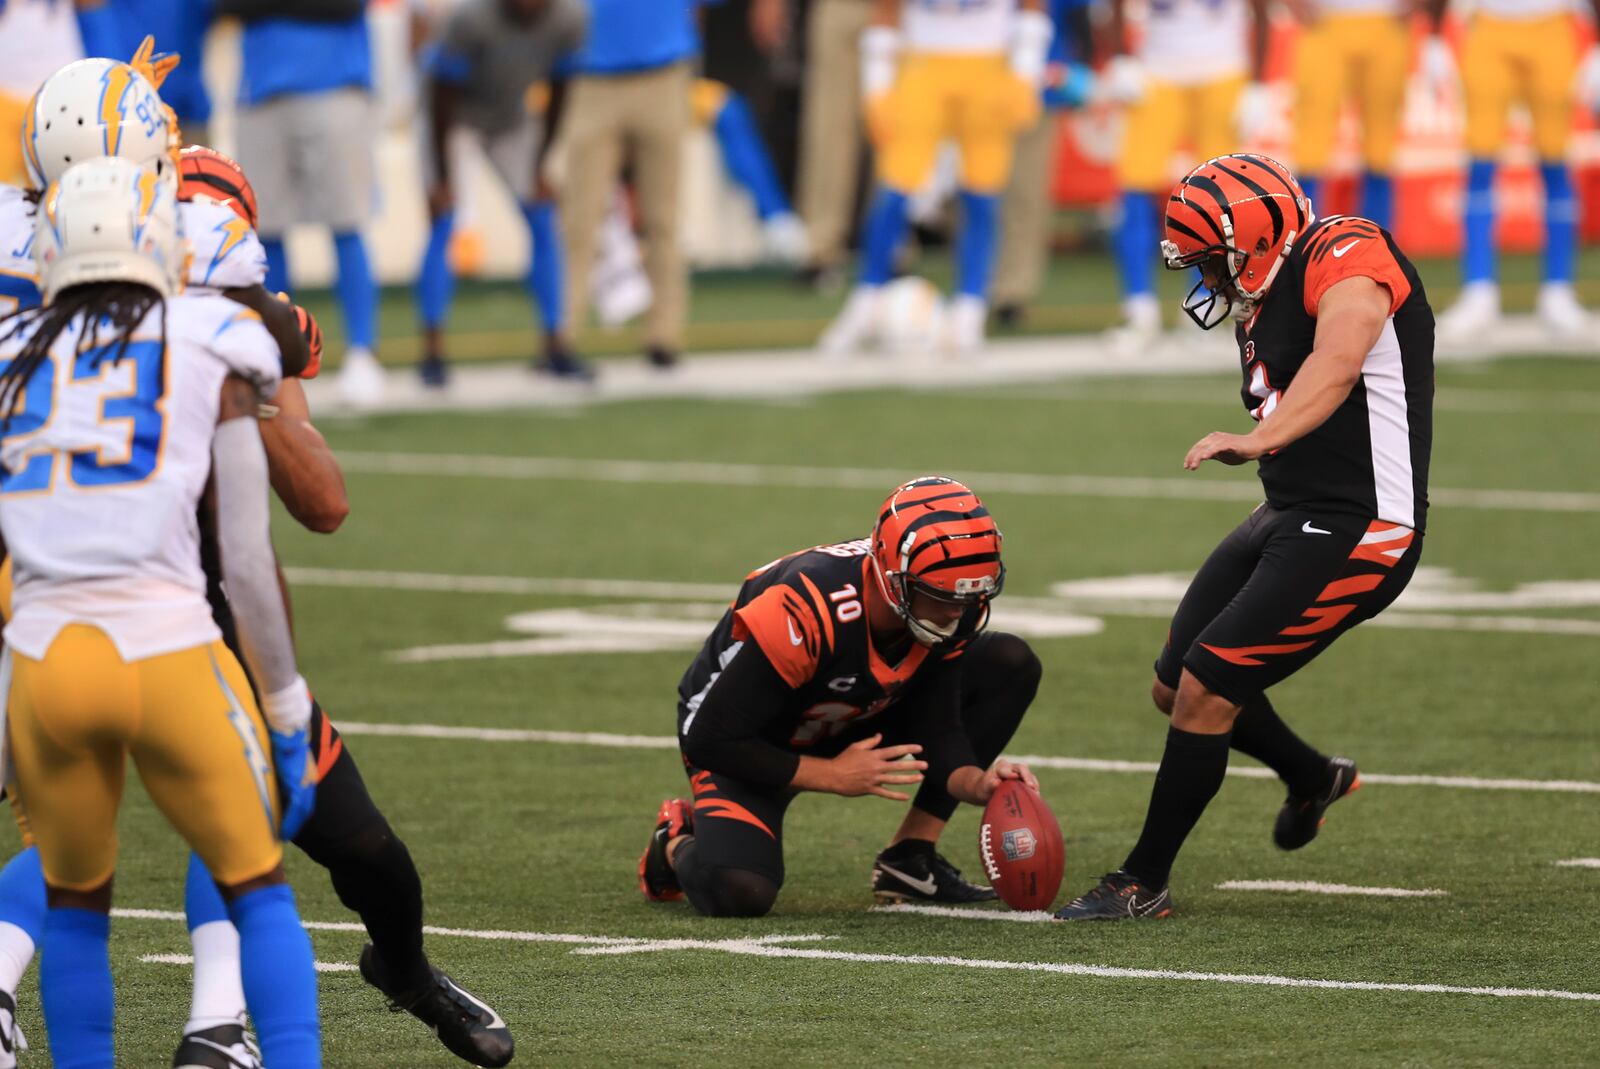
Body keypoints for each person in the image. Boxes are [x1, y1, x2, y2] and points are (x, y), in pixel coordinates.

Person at [0, 56, 515, 1067]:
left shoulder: (179, 235)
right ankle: (226, 1023)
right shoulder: (169, 246)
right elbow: (279, 527)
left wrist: (253, 356)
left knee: (353, 845)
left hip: (139, 596)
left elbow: (315, 500)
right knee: (216, 834)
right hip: (71, 576)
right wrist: (243, 331)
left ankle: (372, 976)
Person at [0, 154, 322, 1067]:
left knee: (74, 909)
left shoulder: (12, 348)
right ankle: (234, 1036)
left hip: (47, 661)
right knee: (259, 891)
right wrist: (289, 708)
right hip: (169, 649)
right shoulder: (212, 333)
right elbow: (250, 563)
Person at [1056, 154, 1433, 921]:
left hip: (1368, 523)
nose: (1207, 278)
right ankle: (1310, 774)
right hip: (1294, 512)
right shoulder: (1268, 284)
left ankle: (1143, 879)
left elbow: (1338, 360)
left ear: (1256, 240)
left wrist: (1262, 439)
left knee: (1206, 686)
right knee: (1172, 683)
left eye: (1210, 260)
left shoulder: (1348, 253)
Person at [639, 477, 1042, 917]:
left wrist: (976, 784)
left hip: (854, 712)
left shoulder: (952, 605)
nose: (956, 612)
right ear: (893, 578)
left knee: (1008, 661)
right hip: (748, 737)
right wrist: (830, 774)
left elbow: (938, 723)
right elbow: (709, 739)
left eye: (967, 597)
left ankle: (910, 856)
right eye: (939, 597)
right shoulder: (807, 606)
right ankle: (674, 841)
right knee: (740, 891)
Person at [820, 0, 1055, 356]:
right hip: (923, 64)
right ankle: (866, 298)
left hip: (989, 65)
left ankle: (970, 308)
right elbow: (885, 11)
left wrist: (1025, 71)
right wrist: (877, 86)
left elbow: (1032, 7)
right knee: (895, 189)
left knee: (982, 192)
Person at [219, 0, 386, 407]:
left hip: (336, 86)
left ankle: (362, 353)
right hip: (260, 91)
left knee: (348, 221)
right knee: (265, 229)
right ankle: (275, 351)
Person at [415, 0, 592, 386]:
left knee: (543, 216)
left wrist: (542, 163)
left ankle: (555, 345)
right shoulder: (471, 19)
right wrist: (443, 179)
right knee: (444, 222)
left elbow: (561, 90)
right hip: (453, 118)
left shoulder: (569, 19)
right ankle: (432, 352)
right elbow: (441, 95)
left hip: (510, 118)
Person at [1425, 0, 1600, 341]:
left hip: (1553, 26)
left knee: (1555, 161)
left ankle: (1558, 290)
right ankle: (1478, 290)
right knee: (1480, 161)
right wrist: (1433, 36)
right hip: (1489, 25)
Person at [1101, 0, 1270, 351]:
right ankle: (1138, 310)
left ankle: (1205, 306)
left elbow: (1263, 9)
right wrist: (1122, 57)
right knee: (1134, 185)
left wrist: (1259, 83)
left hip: (1223, 71)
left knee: (1218, 200)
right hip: (1158, 72)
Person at [555, 0, 702, 369]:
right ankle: (560, 335)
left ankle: (664, 335)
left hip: (664, 74)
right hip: (592, 78)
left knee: (662, 217)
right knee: (579, 218)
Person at [991, 0, 1094, 328]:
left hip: (1037, 85)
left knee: (1026, 194)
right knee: (978, 192)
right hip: (976, 81)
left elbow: (1079, 16)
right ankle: (974, 286)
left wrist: (1079, 67)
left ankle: (1012, 291)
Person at [1286, 0, 1411, 232]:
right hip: (1325, 21)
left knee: (1380, 147)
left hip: (1386, 21)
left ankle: (1376, 252)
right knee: (1311, 145)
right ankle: (1304, 249)